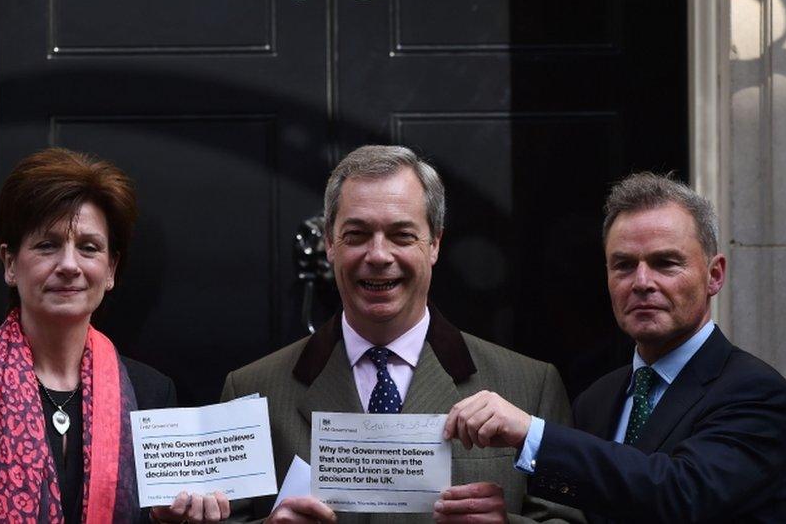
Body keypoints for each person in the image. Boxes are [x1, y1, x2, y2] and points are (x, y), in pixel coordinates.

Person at [220, 145, 581, 523]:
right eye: (356, 235)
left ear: (435, 244)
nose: (378, 255)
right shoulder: (251, 392)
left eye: (402, 235)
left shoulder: (530, 386)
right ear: (329, 243)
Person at [0, 148, 229, 523]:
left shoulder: (151, 393)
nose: (69, 265)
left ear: (111, 268)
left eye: (88, 247)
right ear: (10, 263)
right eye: (47, 245)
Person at [443, 172, 786, 523]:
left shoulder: (756, 393)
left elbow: (680, 495)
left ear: (715, 275)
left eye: (665, 263)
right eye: (624, 265)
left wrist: (532, 433)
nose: (642, 282)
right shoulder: (597, 400)